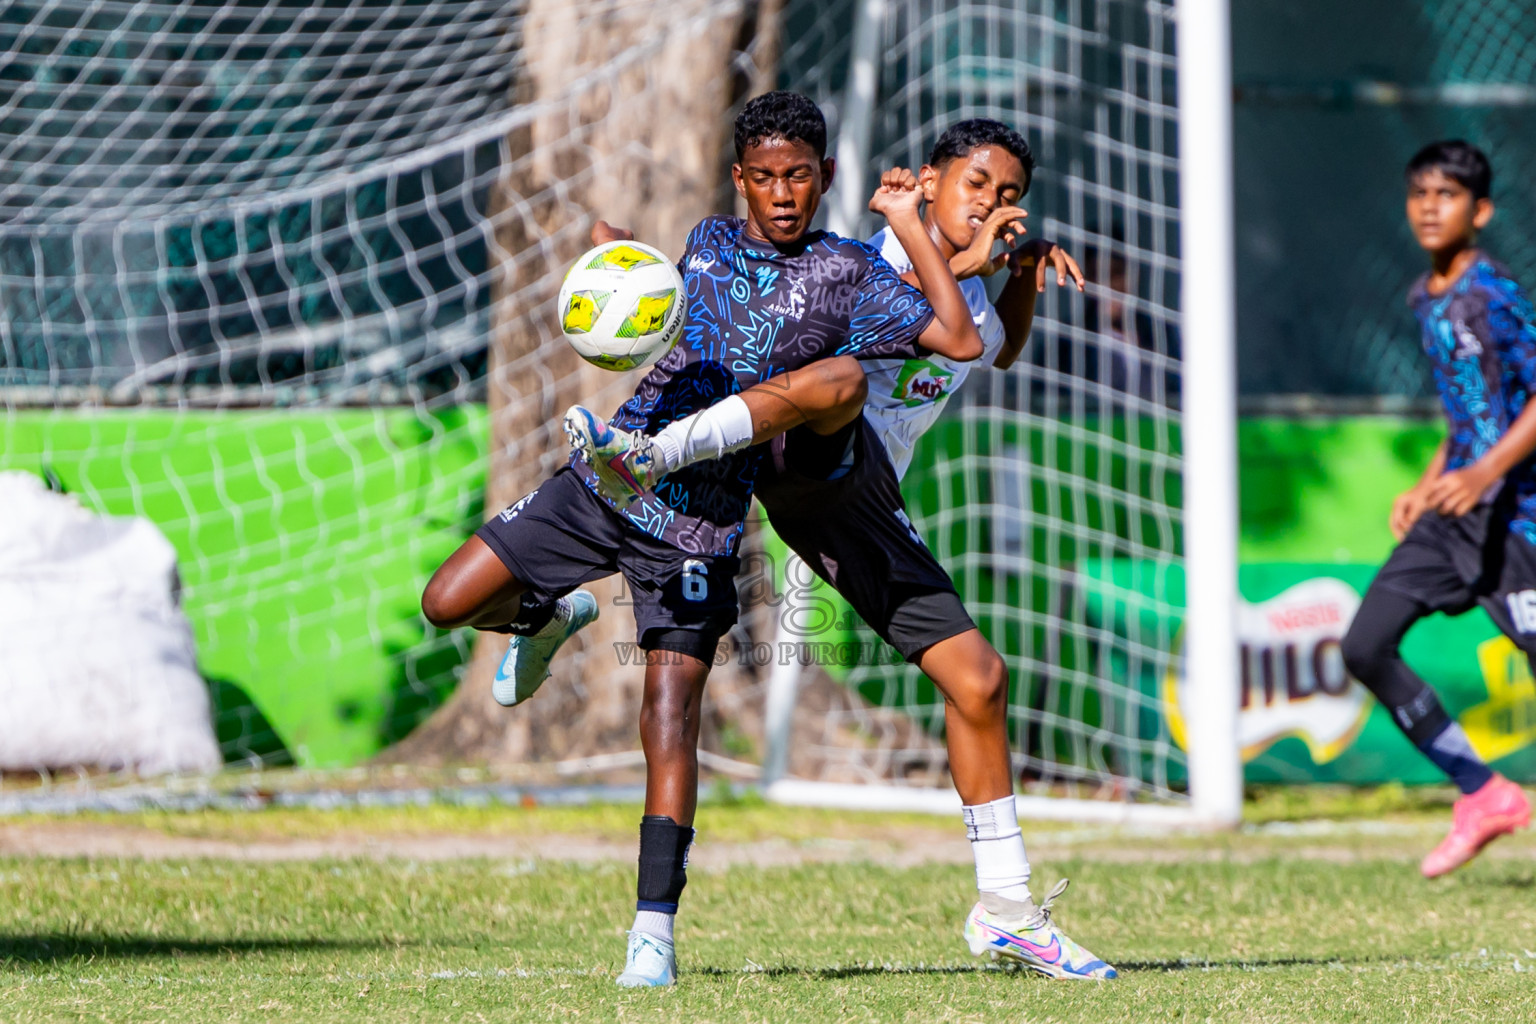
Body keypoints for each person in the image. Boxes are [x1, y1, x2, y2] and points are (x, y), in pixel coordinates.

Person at [421, 90, 984, 987]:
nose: (783, 193)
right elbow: (644, 274)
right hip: (607, 475)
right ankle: (555, 611)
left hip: (698, 521)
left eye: (799, 176)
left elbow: (956, 336)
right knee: (446, 602)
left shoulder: (849, 276)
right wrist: (607, 256)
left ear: (826, 177)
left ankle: (652, 934)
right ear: (739, 182)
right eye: (764, 178)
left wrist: (913, 223)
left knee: (667, 717)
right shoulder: (708, 243)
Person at [568, 119, 1117, 980]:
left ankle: (1007, 908)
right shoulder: (876, 258)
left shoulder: (967, 279)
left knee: (977, 679)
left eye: (1009, 194)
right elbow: (886, 325)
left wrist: (1018, 272)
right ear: (927, 181)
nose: (994, 205)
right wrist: (949, 245)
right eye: (977, 184)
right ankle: (635, 477)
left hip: (854, 495)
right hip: (817, 456)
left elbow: (996, 350)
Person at [1339, 139, 1533, 878]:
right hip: (1453, 513)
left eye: (1446, 195)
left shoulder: (1492, 293)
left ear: (1480, 211)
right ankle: (1483, 792)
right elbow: (1467, 412)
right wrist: (1429, 480)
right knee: (1366, 644)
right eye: (1419, 192)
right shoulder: (1426, 294)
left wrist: (1485, 470)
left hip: (1516, 517)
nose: (1428, 206)